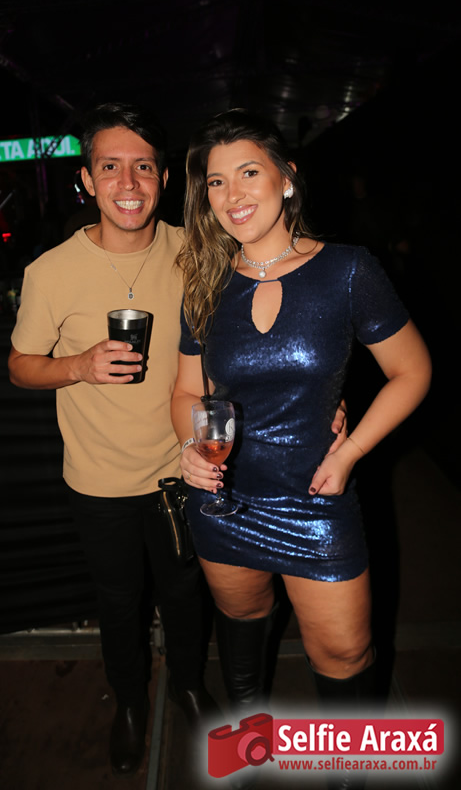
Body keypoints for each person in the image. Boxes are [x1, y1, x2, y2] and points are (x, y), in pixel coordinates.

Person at [171, 110, 431, 776]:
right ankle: (244, 754)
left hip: (317, 499)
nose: (231, 195)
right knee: (241, 633)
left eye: (247, 173)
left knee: (345, 653)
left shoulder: (347, 269)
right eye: (216, 182)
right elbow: (186, 392)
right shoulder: (203, 282)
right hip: (225, 502)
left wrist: (350, 452)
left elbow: (411, 371)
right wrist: (192, 446)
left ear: (287, 178)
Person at [8, 102, 219, 777]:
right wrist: (77, 366)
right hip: (98, 480)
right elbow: (19, 366)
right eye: (110, 167)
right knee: (119, 602)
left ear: (164, 177)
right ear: (87, 180)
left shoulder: (198, 250)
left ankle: (188, 684)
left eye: (143, 167)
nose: (128, 184)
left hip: (181, 469)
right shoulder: (49, 271)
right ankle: (129, 701)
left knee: (184, 593)